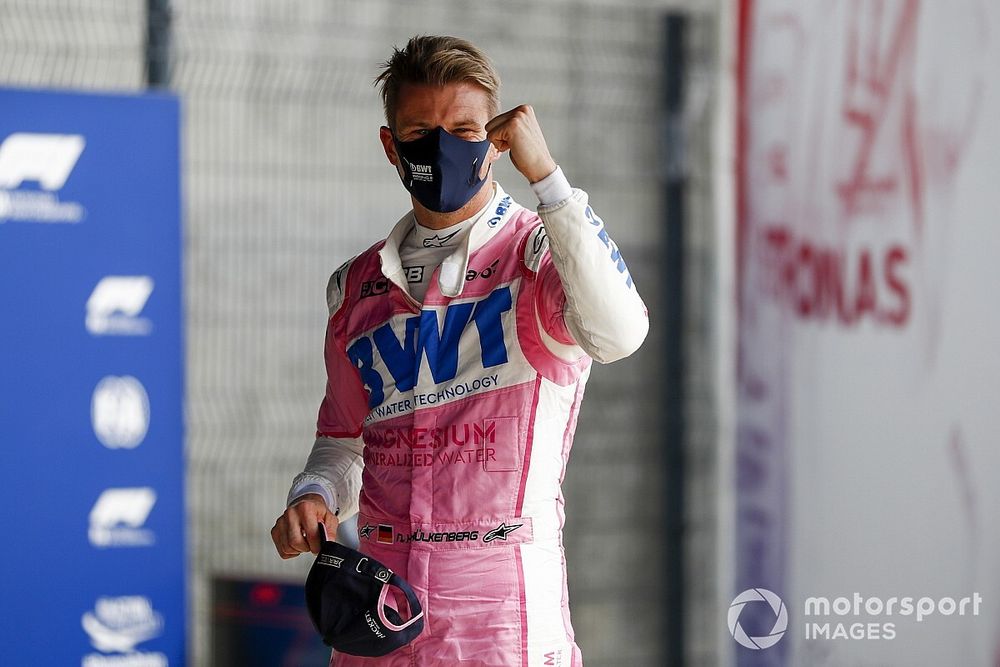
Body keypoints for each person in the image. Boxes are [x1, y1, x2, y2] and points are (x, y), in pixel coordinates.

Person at [271, 35, 649, 666]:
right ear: (391, 146)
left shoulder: (540, 255)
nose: (443, 147)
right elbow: (341, 439)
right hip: (381, 610)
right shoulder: (353, 288)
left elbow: (620, 334)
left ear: (493, 142)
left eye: (464, 129)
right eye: (420, 131)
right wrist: (312, 493)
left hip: (505, 616)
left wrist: (548, 180)